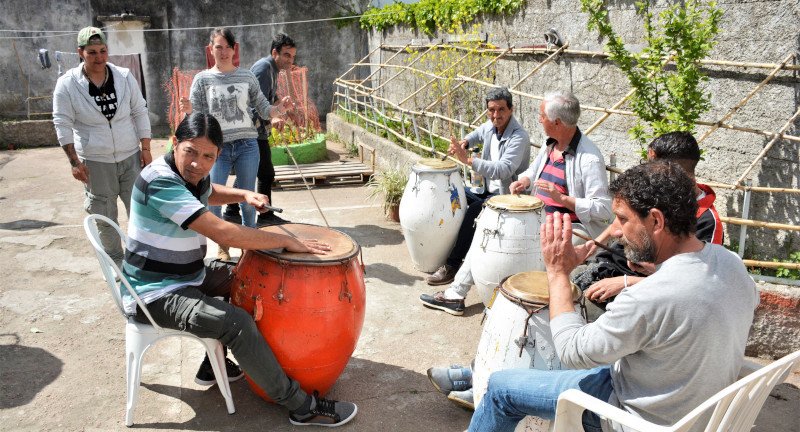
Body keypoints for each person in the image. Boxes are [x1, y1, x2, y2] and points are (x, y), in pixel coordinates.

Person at [468, 161, 759, 432]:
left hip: (637, 419)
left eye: (622, 218)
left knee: (500, 388)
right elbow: (691, 300)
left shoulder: (648, 297)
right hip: (697, 410)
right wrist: (658, 269)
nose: (616, 230)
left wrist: (557, 272)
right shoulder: (731, 264)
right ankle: (466, 373)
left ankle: (478, 377)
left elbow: (571, 350)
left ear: (656, 222)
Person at [122, 112, 357, 427]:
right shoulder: (160, 180)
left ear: (218, 156)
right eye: (190, 151)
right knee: (236, 323)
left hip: (187, 275)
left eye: (208, 156)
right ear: (174, 143)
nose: (198, 163)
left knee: (249, 280)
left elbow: (210, 190)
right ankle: (301, 406)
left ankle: (211, 364)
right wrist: (284, 240)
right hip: (153, 293)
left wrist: (244, 194)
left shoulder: (188, 175)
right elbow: (224, 233)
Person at [423, 89, 612, 408]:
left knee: (512, 287)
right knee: (488, 233)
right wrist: (524, 181)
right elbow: (531, 172)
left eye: (542, 116)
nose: (537, 120)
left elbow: (603, 209)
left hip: (569, 231)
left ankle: (481, 374)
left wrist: (564, 199)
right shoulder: (551, 146)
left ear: (556, 121)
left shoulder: (589, 157)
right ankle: (459, 298)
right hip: (540, 222)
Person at [180, 27, 292, 260]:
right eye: (218, 47)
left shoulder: (247, 76)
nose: (223, 52)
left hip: (247, 144)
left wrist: (279, 110)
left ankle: (249, 245)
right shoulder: (202, 79)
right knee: (212, 198)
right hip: (217, 149)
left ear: (234, 49)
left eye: (227, 47)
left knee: (247, 198)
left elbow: (263, 107)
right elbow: (197, 118)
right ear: (211, 50)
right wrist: (189, 112)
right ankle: (223, 246)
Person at [575, 131, 724, 305]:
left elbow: (696, 282)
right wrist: (595, 244)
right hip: (608, 269)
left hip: (640, 292)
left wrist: (627, 282)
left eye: (649, 163)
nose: (645, 168)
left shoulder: (708, 221)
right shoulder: (657, 192)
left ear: (670, 169)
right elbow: (622, 219)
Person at [419, 87, 531, 310]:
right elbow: (477, 134)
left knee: (474, 212)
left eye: (501, 110)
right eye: (491, 110)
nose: (496, 115)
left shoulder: (519, 137)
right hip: (486, 190)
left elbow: (502, 169)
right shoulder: (492, 126)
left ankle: (451, 266)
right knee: (455, 195)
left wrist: (468, 161)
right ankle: (439, 252)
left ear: (511, 109)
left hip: (506, 197)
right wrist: (465, 143)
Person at [53, 26, 152, 266]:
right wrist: (74, 162)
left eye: (103, 51)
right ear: (81, 52)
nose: (99, 57)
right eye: (92, 52)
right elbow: (62, 122)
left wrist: (146, 148)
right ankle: (117, 264)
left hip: (130, 156)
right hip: (95, 161)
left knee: (141, 211)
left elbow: (140, 111)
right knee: (104, 215)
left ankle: (145, 260)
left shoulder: (124, 76)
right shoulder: (67, 84)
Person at [222, 33, 296, 227]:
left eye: (293, 56)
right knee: (264, 173)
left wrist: (281, 107)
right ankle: (263, 216)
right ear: (275, 53)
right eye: (287, 55)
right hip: (252, 129)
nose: (291, 60)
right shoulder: (264, 68)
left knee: (253, 172)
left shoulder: (273, 69)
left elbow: (269, 97)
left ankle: (232, 211)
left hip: (258, 129)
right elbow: (255, 103)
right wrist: (275, 116)